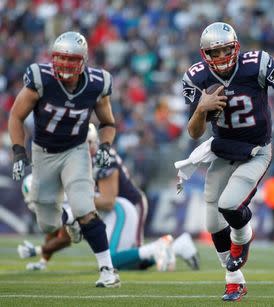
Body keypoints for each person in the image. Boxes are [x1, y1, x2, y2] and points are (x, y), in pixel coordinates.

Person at [182, 22, 274, 301]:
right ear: (204, 55)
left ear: (236, 47)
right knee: (213, 223)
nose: (222, 57)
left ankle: (243, 236)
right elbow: (193, 132)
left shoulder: (255, 65)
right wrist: (201, 109)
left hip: (255, 150)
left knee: (229, 205)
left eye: (226, 50)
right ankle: (234, 280)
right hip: (223, 150)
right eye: (215, 52)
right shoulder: (197, 77)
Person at [8, 32, 120, 287]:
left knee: (84, 207)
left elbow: (108, 122)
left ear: (83, 61)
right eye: (60, 58)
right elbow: (16, 116)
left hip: (76, 151)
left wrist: (104, 145)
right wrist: (18, 151)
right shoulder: (41, 78)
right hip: (43, 153)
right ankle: (70, 220)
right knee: (47, 225)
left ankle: (107, 271)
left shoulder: (97, 83)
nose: (65, 65)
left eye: (71, 60)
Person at [18, 174, 200, 272]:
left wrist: (37, 250)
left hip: (118, 212)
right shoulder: (56, 201)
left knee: (110, 261)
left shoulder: (63, 199)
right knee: (133, 264)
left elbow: (64, 238)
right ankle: (179, 246)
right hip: (111, 217)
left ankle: (158, 247)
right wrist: (42, 260)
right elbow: (54, 231)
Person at [87, 123, 148, 246]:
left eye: (88, 143)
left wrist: (76, 201)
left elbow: (108, 201)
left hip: (130, 205)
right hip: (116, 209)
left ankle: (169, 247)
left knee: (133, 251)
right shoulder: (84, 159)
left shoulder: (102, 156)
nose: (85, 147)